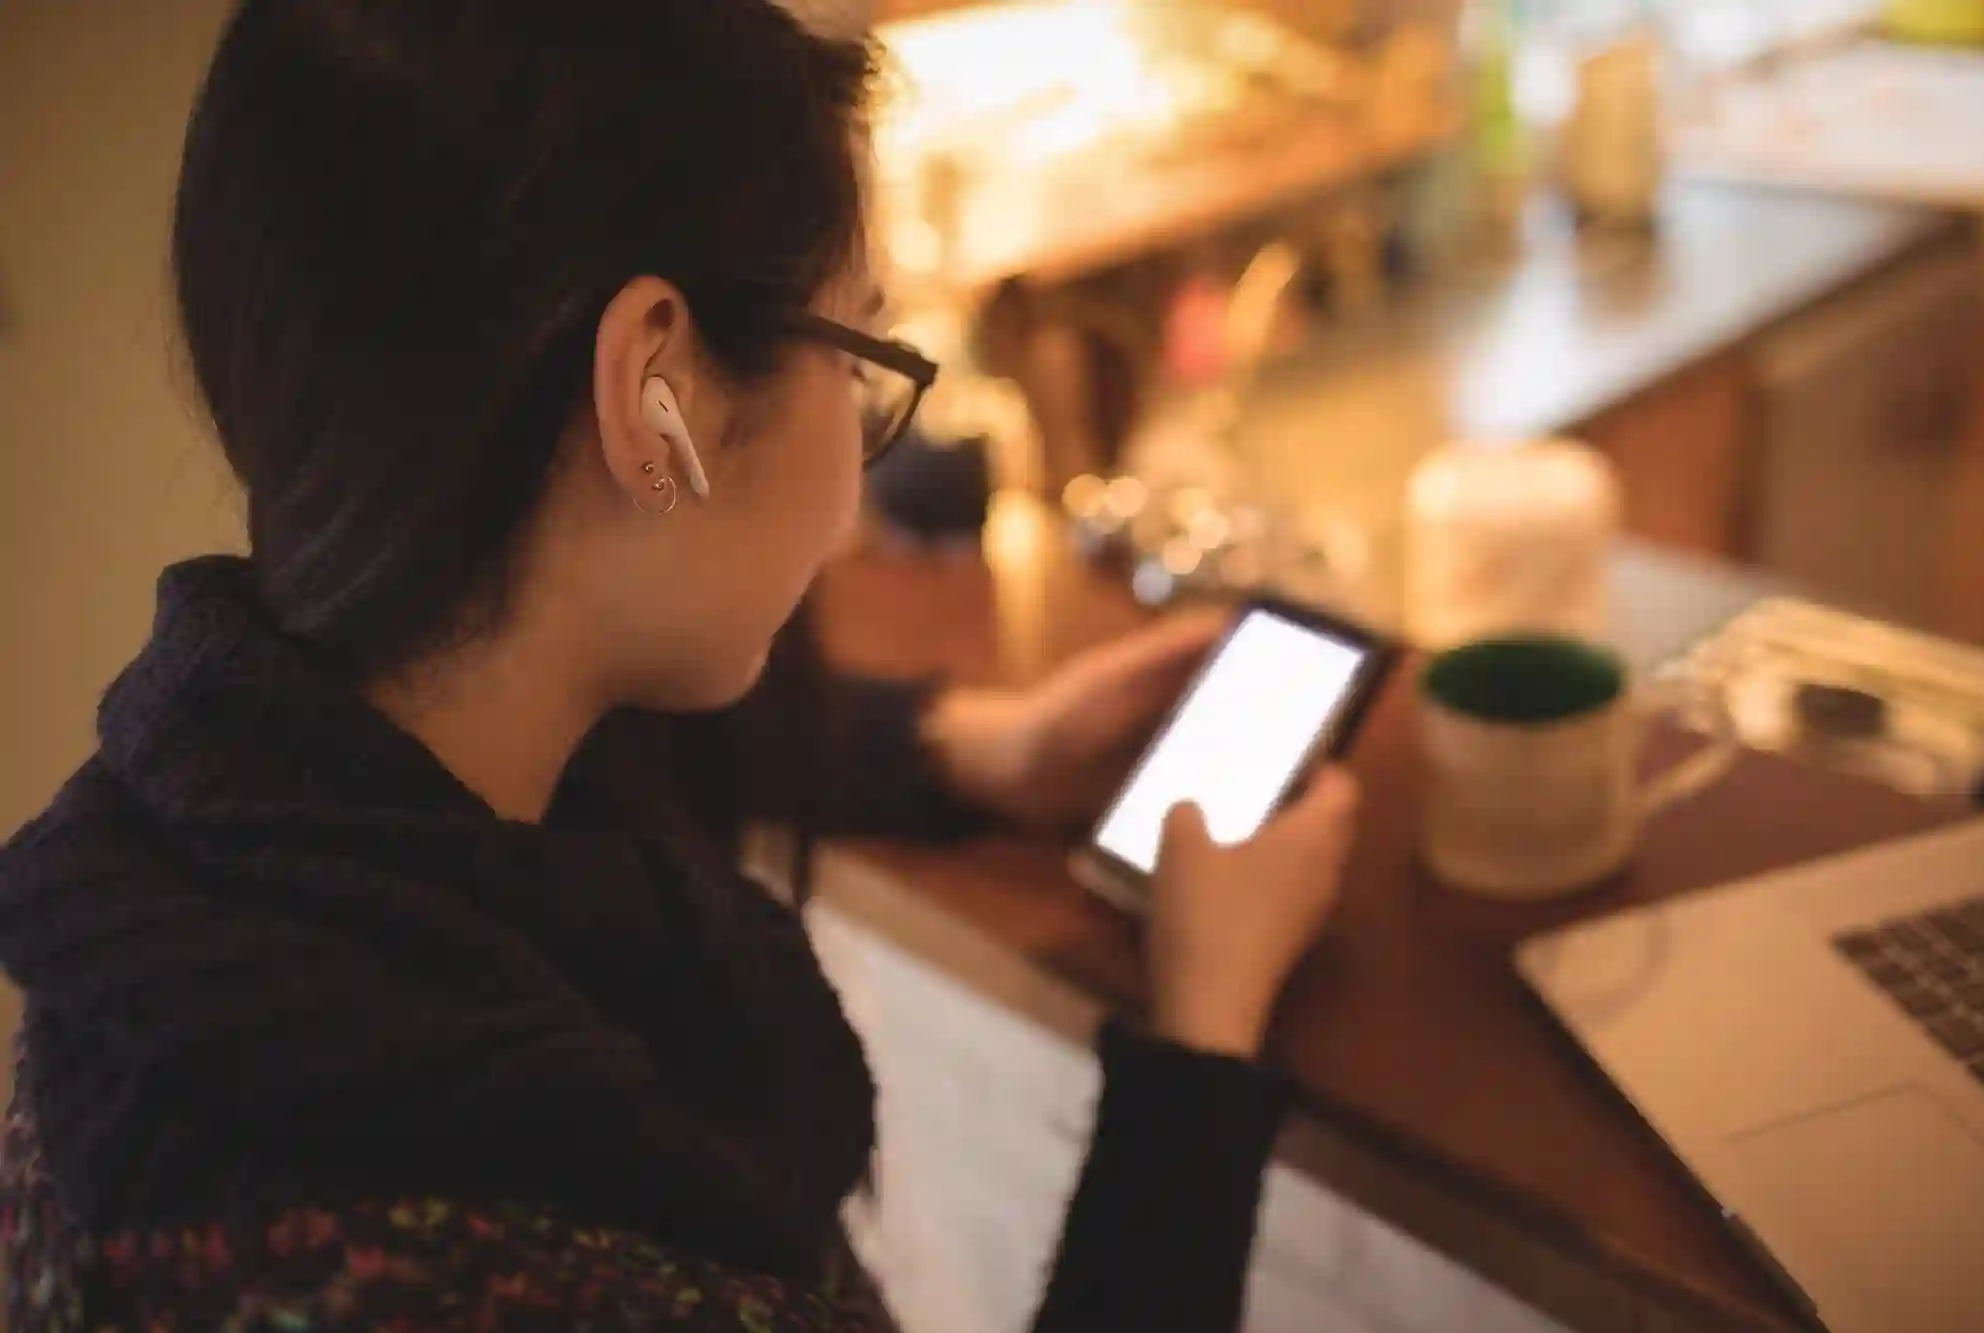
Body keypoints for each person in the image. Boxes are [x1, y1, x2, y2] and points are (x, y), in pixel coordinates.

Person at [0, 3, 1362, 1330]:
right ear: (659, 392)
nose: (858, 454)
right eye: (861, 354)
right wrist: (1201, 1042)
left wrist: (960, 746)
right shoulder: (512, 1269)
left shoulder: (171, 883)